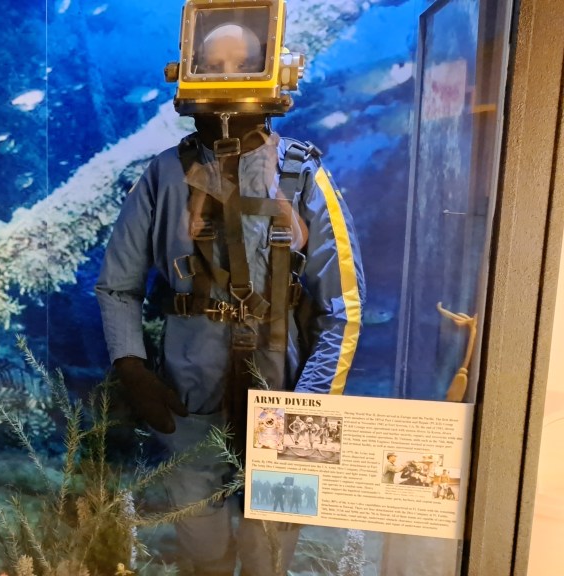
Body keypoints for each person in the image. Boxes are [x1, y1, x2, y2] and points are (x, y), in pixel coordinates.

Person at [96, 1, 364, 573]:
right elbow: (117, 287)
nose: (224, 78)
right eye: (211, 64)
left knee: (272, 552)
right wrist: (132, 368)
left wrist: (310, 407)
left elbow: (343, 308)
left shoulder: (302, 176)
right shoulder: (164, 176)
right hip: (190, 399)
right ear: (188, 70)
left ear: (272, 70)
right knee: (201, 552)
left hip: (288, 395)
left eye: (240, 63)